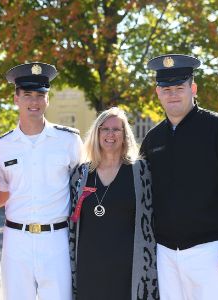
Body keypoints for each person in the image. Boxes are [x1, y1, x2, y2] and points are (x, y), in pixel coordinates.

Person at [0, 62, 84, 300]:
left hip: (57, 240)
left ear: (47, 99)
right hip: (16, 240)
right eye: (27, 95)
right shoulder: (0, 147)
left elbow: (81, 189)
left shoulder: (69, 141)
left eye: (40, 95)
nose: (34, 102)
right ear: (16, 98)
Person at [141, 53, 218, 300]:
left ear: (193, 88)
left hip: (210, 250)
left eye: (180, 87)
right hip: (165, 253)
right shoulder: (152, 139)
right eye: (166, 89)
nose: (173, 94)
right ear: (157, 93)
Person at [67, 107, 158, 300]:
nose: (110, 134)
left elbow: (153, 219)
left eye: (116, 129)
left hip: (129, 268)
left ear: (125, 135)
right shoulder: (80, 174)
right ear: (96, 133)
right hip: (88, 267)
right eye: (104, 128)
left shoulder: (141, 172)